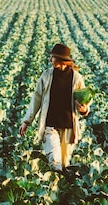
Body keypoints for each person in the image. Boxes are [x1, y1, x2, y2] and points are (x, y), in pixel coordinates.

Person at [18, 43, 90, 172]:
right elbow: (36, 99)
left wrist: (84, 110)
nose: (50, 60)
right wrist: (26, 121)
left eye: (52, 57)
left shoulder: (77, 78)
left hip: (68, 127)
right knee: (54, 160)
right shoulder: (46, 76)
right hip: (50, 125)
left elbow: (84, 103)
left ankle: (61, 188)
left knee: (64, 163)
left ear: (61, 60)